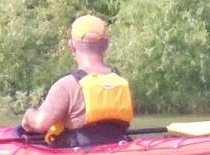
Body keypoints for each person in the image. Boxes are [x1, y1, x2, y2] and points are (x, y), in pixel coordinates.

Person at [21, 13, 134, 147]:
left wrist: (29, 115)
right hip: (118, 149)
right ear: (106, 45)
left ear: (72, 46)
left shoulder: (67, 85)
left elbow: (41, 123)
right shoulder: (121, 83)